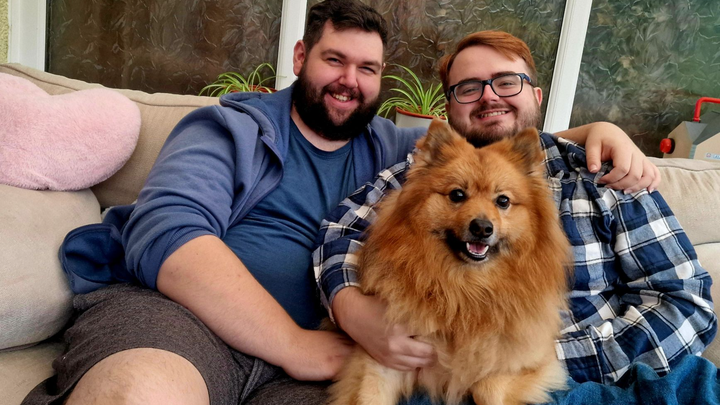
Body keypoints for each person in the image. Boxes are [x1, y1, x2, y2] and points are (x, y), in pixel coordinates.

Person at [23, 2, 663, 405]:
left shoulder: (397, 148)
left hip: (313, 365)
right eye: (335, 59)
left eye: (368, 69)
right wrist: (295, 343)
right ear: (302, 57)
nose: (349, 81)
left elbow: (497, 156)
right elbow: (167, 235)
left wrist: (592, 134)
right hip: (185, 322)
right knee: (141, 393)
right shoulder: (230, 128)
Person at [313, 28, 717, 399]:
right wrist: (352, 309)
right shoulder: (423, 170)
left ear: (536, 96)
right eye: (469, 88)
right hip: (440, 375)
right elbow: (339, 232)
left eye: (507, 82)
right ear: (450, 106)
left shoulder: (605, 175)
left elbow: (687, 306)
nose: (489, 96)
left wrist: (529, 356)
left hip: (597, 380)